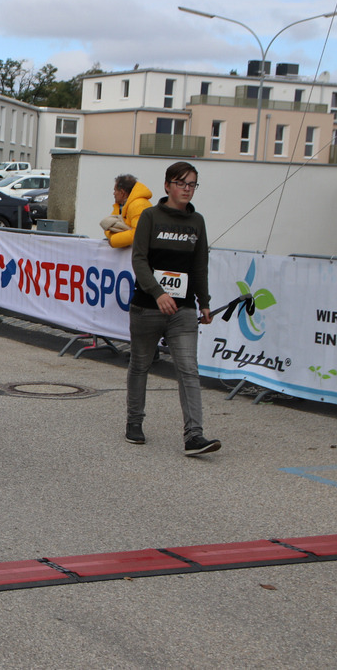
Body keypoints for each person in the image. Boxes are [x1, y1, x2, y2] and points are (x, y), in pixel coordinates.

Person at [126, 161, 219, 456]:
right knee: (141, 364)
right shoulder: (150, 217)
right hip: (147, 307)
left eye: (192, 184)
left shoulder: (197, 222)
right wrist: (158, 293)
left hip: (183, 311)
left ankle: (194, 435)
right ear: (167, 186)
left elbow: (199, 266)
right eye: (181, 183)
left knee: (188, 370)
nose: (187, 189)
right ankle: (134, 422)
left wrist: (204, 303)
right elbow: (139, 260)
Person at [101, 174, 153, 248]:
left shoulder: (139, 205)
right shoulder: (121, 206)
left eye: (115, 190)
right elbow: (109, 228)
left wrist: (114, 241)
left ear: (122, 193)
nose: (114, 193)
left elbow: (139, 233)